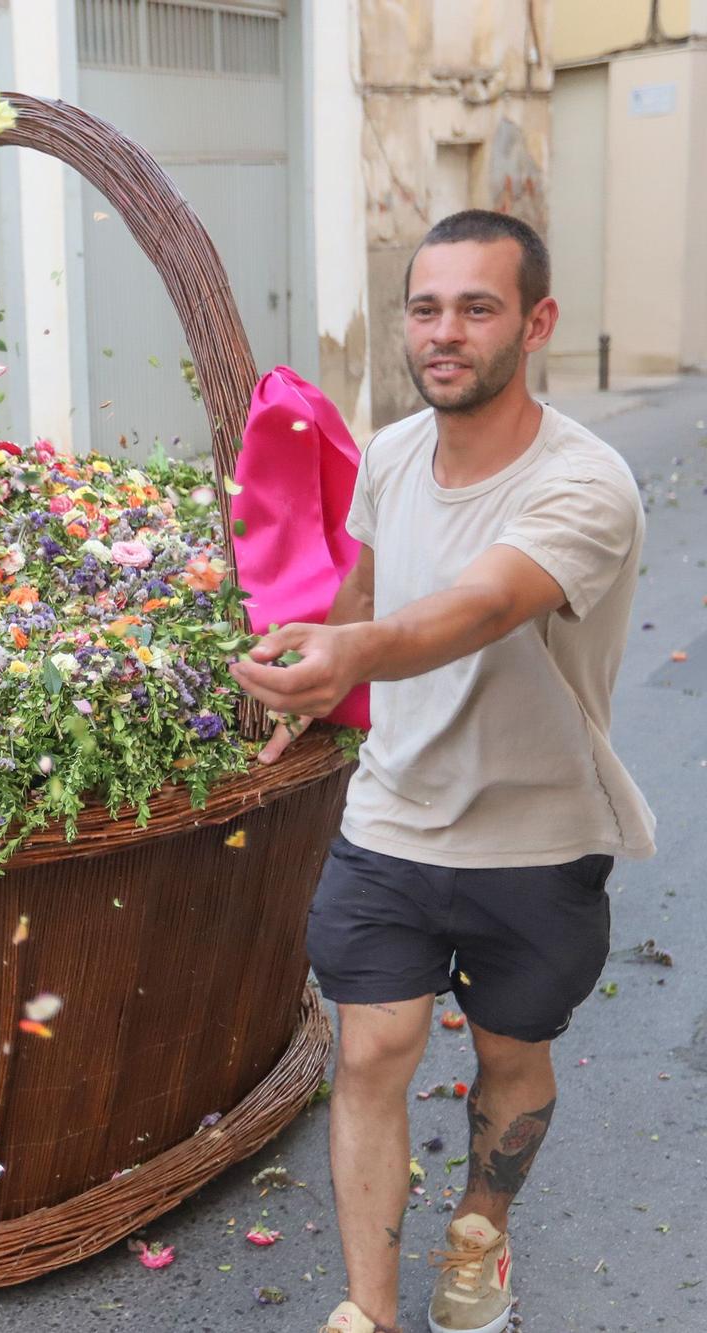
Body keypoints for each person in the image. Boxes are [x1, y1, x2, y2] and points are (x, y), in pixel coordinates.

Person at [232, 210, 655, 1333]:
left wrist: (353, 651)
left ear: (535, 322)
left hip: (536, 836)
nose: (444, 332)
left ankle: (479, 1240)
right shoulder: (386, 453)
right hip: (390, 820)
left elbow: (475, 608)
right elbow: (363, 597)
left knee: (512, 1058)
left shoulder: (586, 484)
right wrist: (315, 678)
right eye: (425, 308)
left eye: (476, 307)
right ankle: (366, 1309)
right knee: (368, 1051)